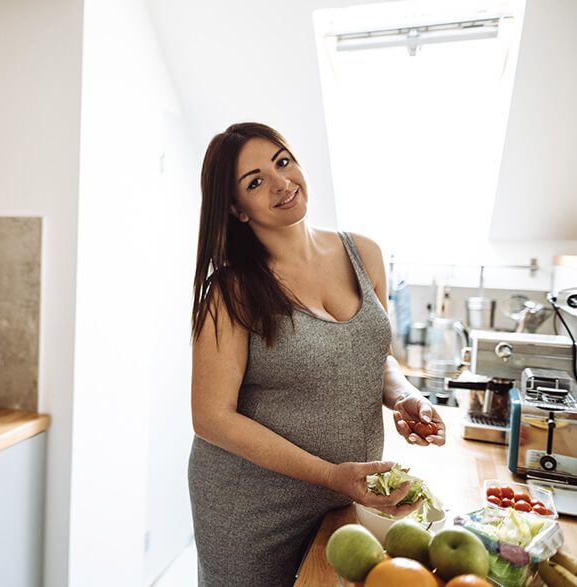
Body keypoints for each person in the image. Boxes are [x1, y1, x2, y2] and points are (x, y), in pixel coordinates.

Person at [187, 122, 446, 586]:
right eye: (256, 181)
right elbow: (211, 417)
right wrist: (331, 474)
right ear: (236, 209)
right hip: (252, 508)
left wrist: (406, 396)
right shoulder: (231, 292)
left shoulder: (363, 253)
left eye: (283, 162)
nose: (281, 183)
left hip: (345, 492)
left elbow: (375, 355)